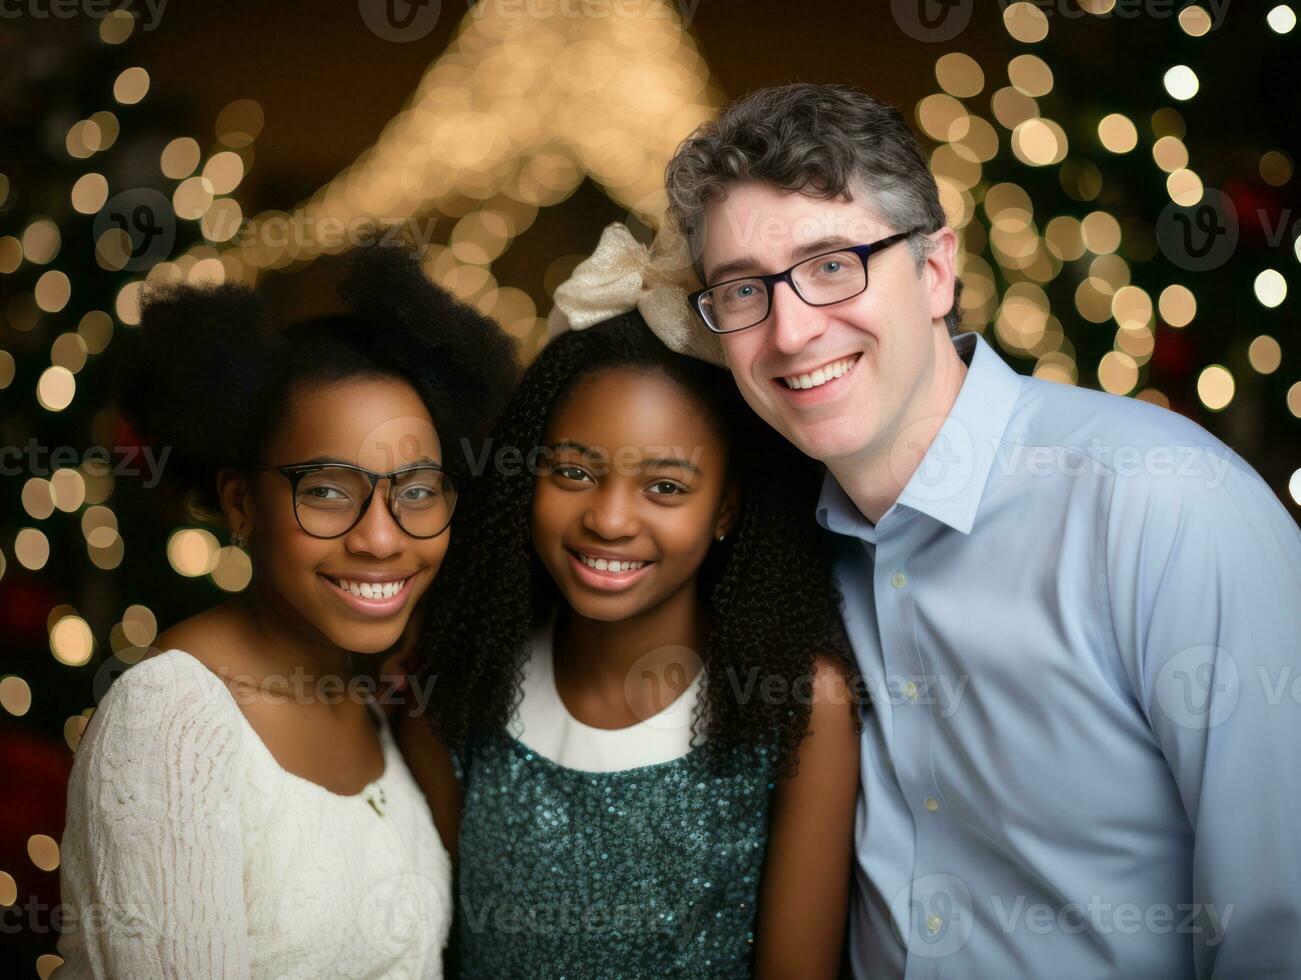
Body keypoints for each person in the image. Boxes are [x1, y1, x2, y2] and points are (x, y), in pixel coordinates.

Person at [662, 83, 1301, 978]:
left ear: (933, 272)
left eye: (833, 264)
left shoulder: (1163, 504)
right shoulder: (776, 549)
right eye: (742, 290)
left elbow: (1282, 926)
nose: (792, 330)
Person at [54, 241, 517, 978]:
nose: (380, 537)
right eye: (327, 489)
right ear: (241, 503)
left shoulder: (367, 700)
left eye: (419, 490)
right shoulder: (171, 721)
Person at [397, 244, 862, 978]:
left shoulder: (798, 704)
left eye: (666, 488)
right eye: (574, 472)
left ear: (726, 509)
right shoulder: (463, 676)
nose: (609, 520)